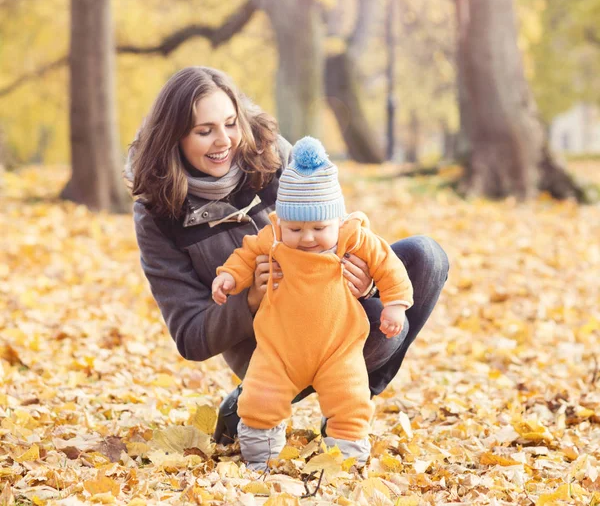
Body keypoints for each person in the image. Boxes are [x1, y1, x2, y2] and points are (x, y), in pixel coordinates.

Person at [126, 66, 449, 451]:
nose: (224, 141)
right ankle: (252, 403)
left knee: (425, 257)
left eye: (231, 123)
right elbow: (190, 338)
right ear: (174, 137)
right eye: (204, 130)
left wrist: (365, 278)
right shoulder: (158, 214)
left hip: (330, 306)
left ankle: (346, 410)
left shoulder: (271, 153)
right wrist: (249, 299)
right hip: (268, 344)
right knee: (379, 327)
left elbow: (333, 221)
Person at [211, 136, 413, 470]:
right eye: (296, 228)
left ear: (337, 221)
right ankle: (261, 459)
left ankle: (345, 459)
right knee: (261, 398)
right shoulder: (273, 237)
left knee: (350, 399)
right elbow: (246, 255)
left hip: (339, 347)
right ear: (281, 222)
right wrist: (229, 278)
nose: (307, 238)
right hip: (279, 348)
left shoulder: (353, 237)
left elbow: (387, 264)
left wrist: (394, 304)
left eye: (319, 227)